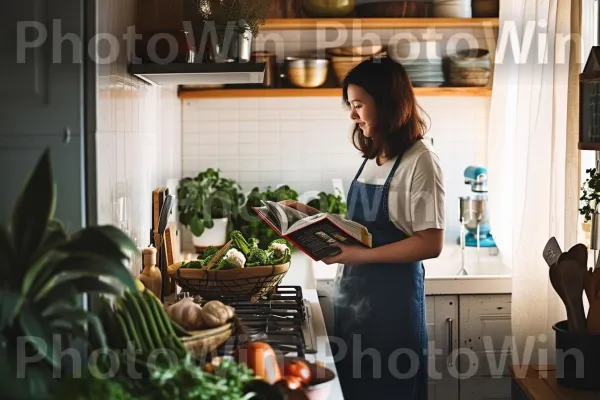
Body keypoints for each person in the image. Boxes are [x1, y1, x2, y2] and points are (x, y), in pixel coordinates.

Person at [321, 56, 445, 399]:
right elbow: (362, 229)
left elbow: (430, 244)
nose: (353, 114)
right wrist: (309, 216)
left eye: (359, 104)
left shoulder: (420, 160)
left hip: (391, 308)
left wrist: (361, 257)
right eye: (351, 105)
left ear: (388, 104)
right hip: (353, 302)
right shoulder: (375, 155)